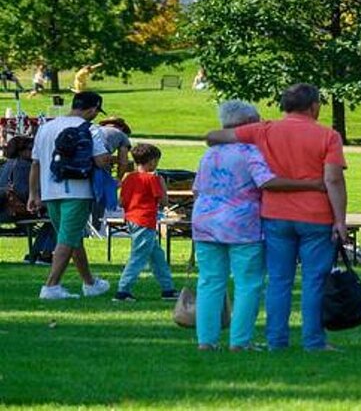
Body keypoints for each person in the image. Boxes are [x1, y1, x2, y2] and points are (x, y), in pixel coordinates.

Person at [206, 82, 348, 351]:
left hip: (275, 215)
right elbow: (333, 179)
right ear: (314, 106)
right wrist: (340, 220)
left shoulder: (264, 130)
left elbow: (214, 136)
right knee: (314, 280)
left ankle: (276, 340)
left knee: (279, 280)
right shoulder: (328, 136)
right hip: (316, 216)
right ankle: (314, 341)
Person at [27, 90, 113, 301]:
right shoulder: (90, 129)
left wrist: (33, 193)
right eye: (96, 111)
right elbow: (101, 160)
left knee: (71, 238)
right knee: (67, 239)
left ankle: (90, 283)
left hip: (49, 191)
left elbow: (36, 163)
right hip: (77, 190)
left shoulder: (46, 127)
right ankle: (51, 286)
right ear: (92, 109)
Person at [114, 143, 177, 301]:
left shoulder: (129, 178)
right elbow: (163, 202)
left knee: (157, 256)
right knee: (139, 256)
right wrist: (162, 185)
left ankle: (168, 288)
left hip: (131, 219)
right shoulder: (152, 179)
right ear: (151, 161)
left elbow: (121, 201)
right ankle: (123, 290)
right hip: (145, 220)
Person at [2, 135, 56, 265]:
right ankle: (44, 254)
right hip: (16, 210)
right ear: (22, 151)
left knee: (52, 217)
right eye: (32, 148)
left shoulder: (6, 165)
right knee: (57, 217)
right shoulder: (27, 166)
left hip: (5, 208)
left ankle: (35, 254)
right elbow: (26, 194)